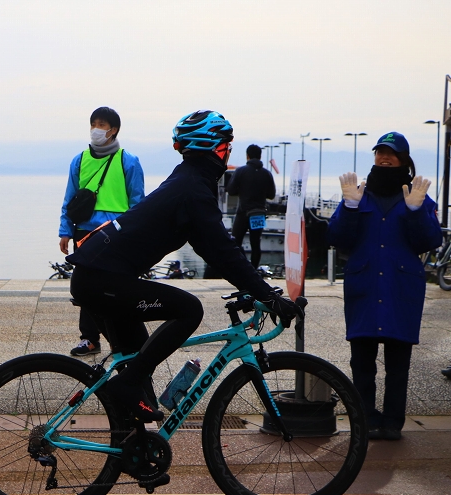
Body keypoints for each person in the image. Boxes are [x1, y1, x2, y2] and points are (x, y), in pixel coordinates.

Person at [66, 110, 303, 422]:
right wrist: (269, 295)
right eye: (225, 146)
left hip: (99, 275)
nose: (227, 152)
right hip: (103, 280)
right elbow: (224, 253)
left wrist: (257, 288)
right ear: (212, 148)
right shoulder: (194, 190)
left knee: (137, 363)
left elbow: (214, 250)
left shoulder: (186, 180)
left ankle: (135, 451)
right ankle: (125, 387)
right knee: (190, 309)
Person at [326, 132, 442, 441]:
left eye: (391, 153)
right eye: (379, 152)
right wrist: (350, 206)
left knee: (398, 363)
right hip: (364, 285)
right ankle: (365, 418)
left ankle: (392, 422)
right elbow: (338, 238)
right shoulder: (359, 194)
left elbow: (430, 241)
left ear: (404, 159)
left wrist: (417, 211)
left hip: (401, 288)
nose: (384, 157)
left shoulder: (418, 195)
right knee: (361, 362)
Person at [59, 107, 145, 357]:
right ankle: (90, 339)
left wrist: (137, 235)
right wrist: (65, 231)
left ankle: (123, 337)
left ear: (114, 129)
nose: (97, 129)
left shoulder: (129, 161)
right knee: (86, 286)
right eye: (93, 123)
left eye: (102, 124)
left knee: (116, 285)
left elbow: (138, 202)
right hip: (85, 231)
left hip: (117, 233)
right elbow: (69, 198)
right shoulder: (79, 160)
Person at [227, 144, 277, 267]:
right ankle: (254, 270)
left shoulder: (241, 171)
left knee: (235, 241)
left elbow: (231, 190)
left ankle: (244, 266)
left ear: (247, 156)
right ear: (260, 156)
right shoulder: (267, 174)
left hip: (243, 212)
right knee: (256, 244)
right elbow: (271, 195)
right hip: (259, 213)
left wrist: (243, 190)